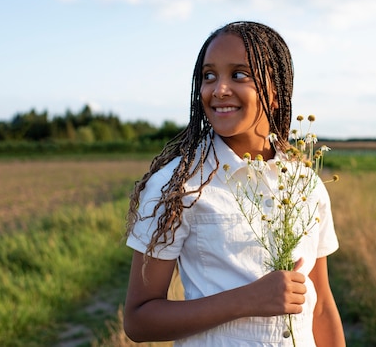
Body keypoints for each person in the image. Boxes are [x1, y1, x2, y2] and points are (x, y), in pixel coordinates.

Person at [124, 21, 345, 346]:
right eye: (209, 76)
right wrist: (247, 300)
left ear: (274, 92)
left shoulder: (306, 185)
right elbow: (138, 320)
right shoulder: (177, 187)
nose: (219, 89)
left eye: (239, 75)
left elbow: (321, 306)